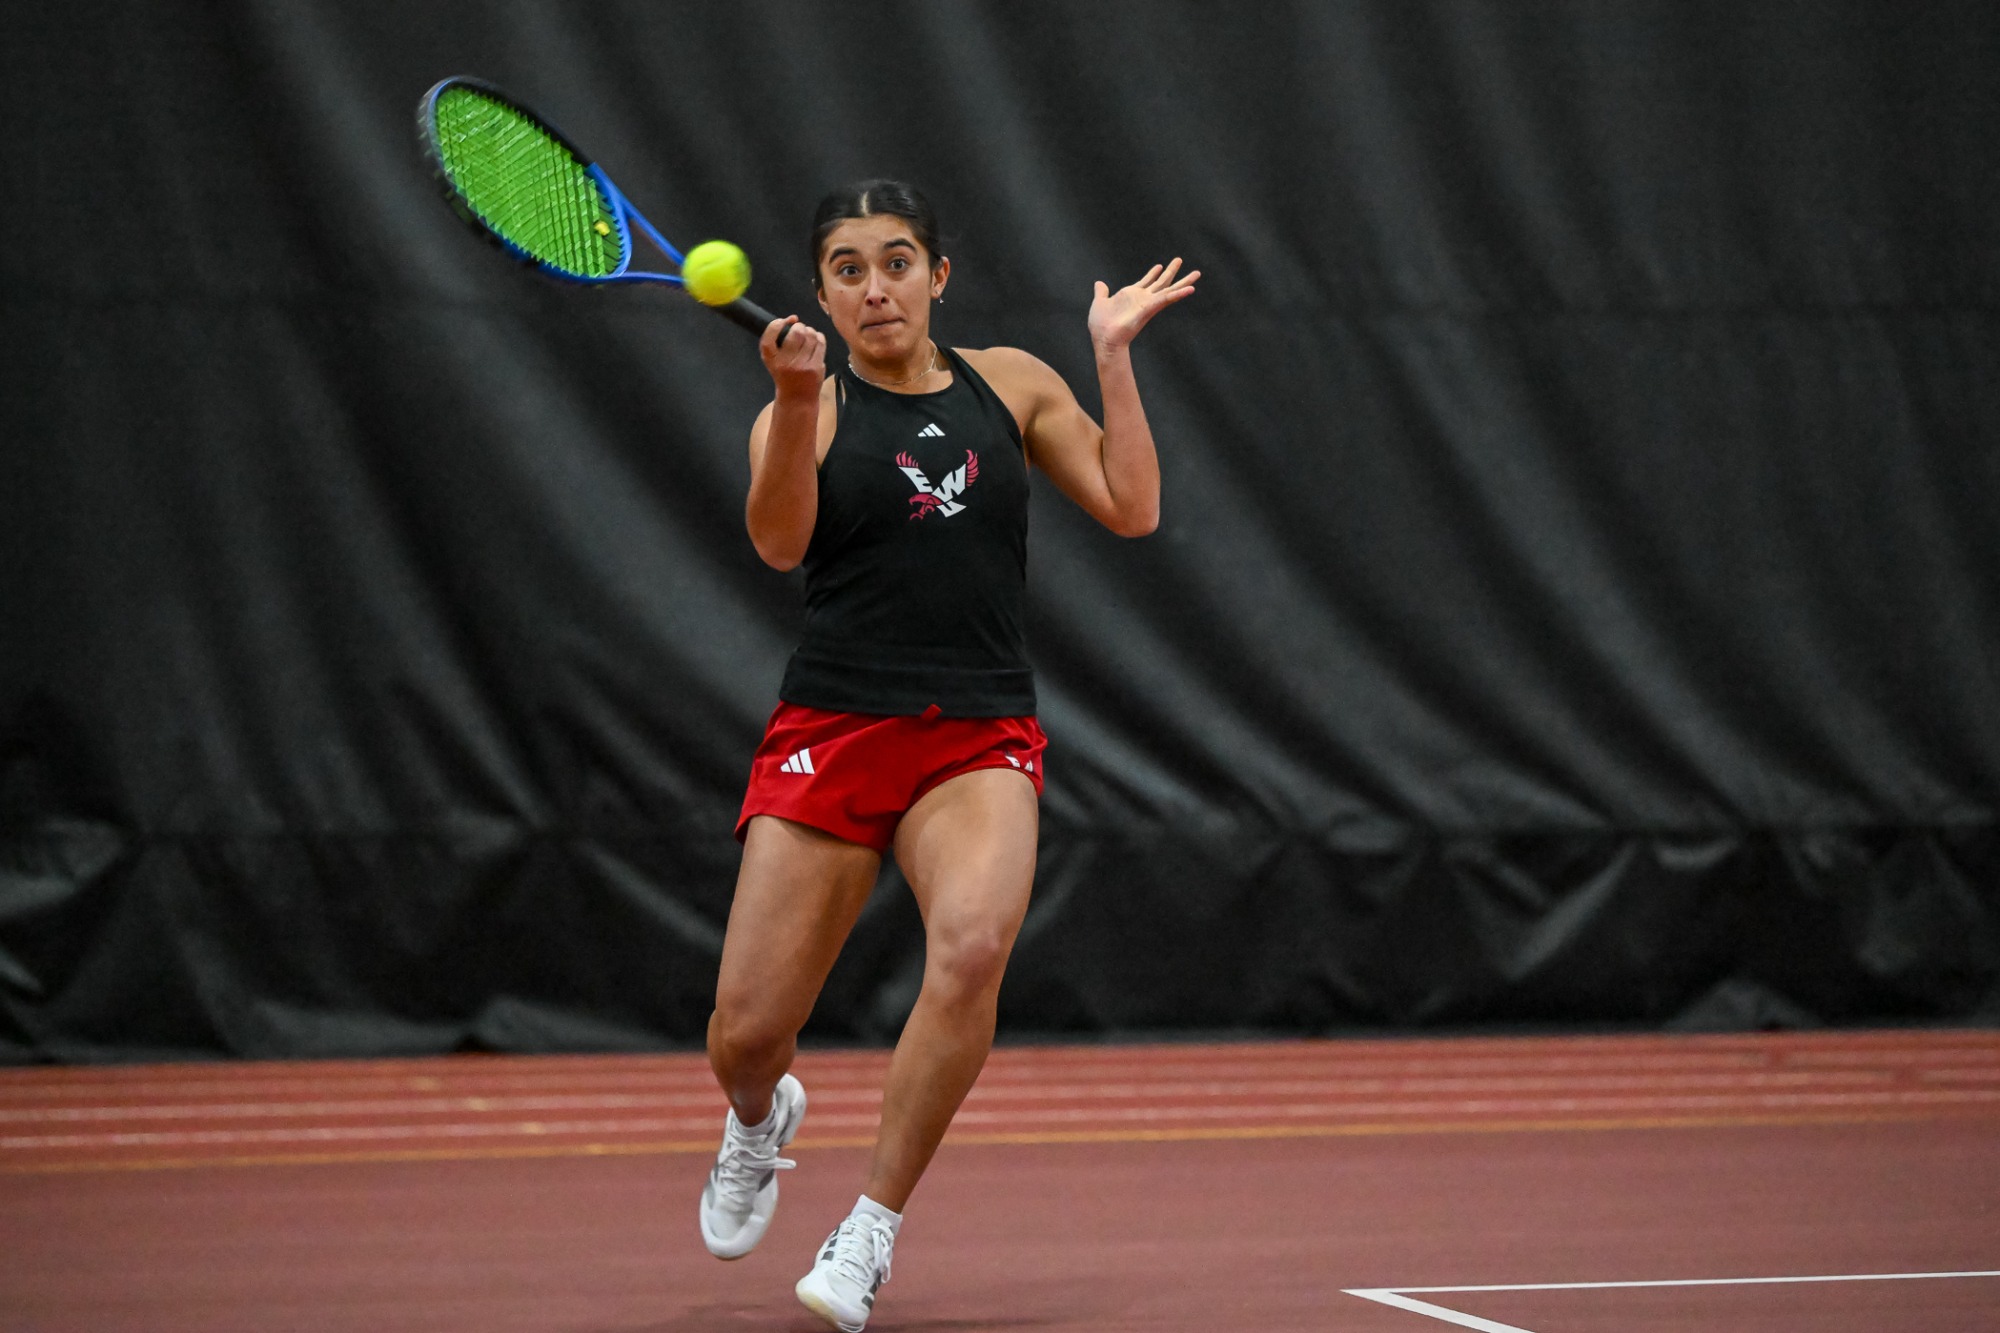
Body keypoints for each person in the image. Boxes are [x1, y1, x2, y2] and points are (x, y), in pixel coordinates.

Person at [698, 178, 1197, 1332]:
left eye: (896, 261)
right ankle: (756, 1115)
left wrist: (1111, 354)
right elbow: (777, 544)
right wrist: (786, 393)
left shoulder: (1012, 383)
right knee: (745, 1031)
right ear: (818, 290)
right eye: (847, 269)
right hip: (832, 730)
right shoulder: (802, 406)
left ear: (937, 275)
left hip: (975, 733)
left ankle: (869, 1227)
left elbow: (1132, 505)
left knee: (972, 948)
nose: (875, 288)